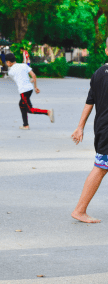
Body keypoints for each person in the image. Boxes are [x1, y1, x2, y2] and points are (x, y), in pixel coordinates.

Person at [70, 38, 108, 223]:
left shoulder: (99, 73)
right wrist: (80, 127)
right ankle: (80, 210)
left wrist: (80, 126)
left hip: (102, 127)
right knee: (101, 168)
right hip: (107, 131)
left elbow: (89, 101)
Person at [5, 53, 54, 130]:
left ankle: (48, 112)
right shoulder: (24, 65)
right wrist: (35, 87)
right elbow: (33, 76)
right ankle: (26, 125)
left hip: (23, 91)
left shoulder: (10, 72)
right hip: (30, 89)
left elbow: (19, 82)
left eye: (6, 62)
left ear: (8, 62)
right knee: (21, 104)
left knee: (29, 109)